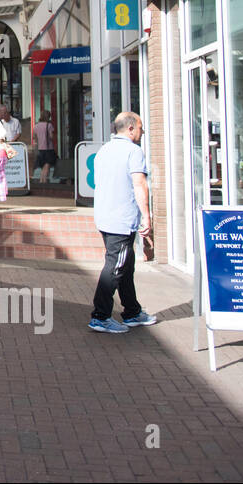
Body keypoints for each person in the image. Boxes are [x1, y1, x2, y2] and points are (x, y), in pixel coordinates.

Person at [88, 111, 157, 333]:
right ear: (130, 128)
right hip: (122, 219)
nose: (142, 132)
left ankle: (132, 311)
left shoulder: (103, 151)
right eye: (140, 128)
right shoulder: (133, 152)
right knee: (115, 266)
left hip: (106, 217)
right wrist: (146, 215)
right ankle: (100, 316)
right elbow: (139, 184)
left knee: (125, 265)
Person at [32, 112, 57, 183]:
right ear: (48, 117)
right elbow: (51, 136)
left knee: (43, 166)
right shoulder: (49, 125)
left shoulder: (36, 126)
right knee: (47, 166)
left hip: (40, 149)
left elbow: (34, 137)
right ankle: (45, 181)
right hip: (48, 149)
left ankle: (41, 180)